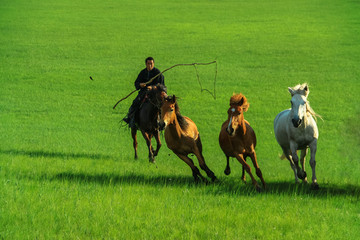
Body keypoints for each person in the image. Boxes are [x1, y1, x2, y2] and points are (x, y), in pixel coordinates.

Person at [123, 57, 165, 128]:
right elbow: (136, 82)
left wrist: (152, 87)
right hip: (144, 92)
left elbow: (162, 85)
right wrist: (140, 84)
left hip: (155, 94)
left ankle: (163, 122)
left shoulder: (158, 73)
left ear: (153, 64)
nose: (150, 65)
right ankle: (130, 118)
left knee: (164, 104)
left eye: (151, 64)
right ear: (146, 64)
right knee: (135, 102)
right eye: (148, 64)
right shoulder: (143, 72)